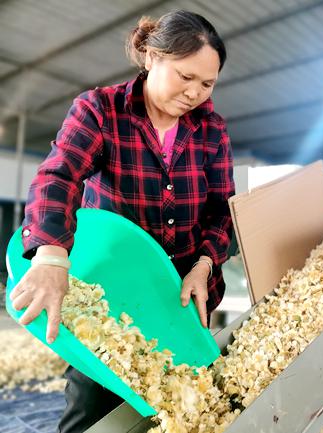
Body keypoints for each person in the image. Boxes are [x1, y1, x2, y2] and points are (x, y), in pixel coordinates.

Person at [9, 10, 234, 432]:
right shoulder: (101, 111)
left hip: (181, 296)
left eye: (207, 84)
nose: (194, 94)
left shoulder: (212, 131)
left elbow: (221, 209)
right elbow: (59, 176)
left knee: (184, 408)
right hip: (112, 301)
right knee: (93, 412)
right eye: (185, 77)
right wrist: (51, 256)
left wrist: (205, 265)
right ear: (151, 58)